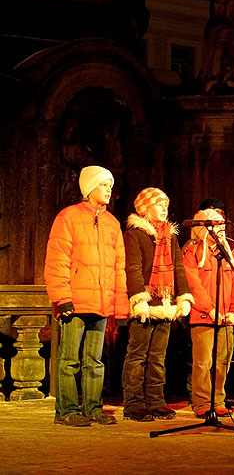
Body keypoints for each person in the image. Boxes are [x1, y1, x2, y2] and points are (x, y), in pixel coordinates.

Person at [44, 165, 129, 426]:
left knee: (95, 360)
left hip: (101, 302)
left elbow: (119, 267)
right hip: (75, 301)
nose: (109, 190)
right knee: (69, 360)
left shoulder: (112, 222)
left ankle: (93, 407)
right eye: (104, 185)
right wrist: (62, 297)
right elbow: (57, 260)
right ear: (89, 188)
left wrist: (120, 305)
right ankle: (67, 410)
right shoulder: (68, 218)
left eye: (110, 186)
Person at [121, 187, 193, 421]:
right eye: (159, 204)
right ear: (144, 207)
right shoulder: (135, 233)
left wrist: (183, 296)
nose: (165, 208)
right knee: (138, 355)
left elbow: (178, 267)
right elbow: (132, 267)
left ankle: (156, 401)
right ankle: (134, 404)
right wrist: (139, 299)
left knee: (158, 357)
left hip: (165, 300)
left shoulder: (170, 235)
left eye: (166, 205)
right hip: (145, 300)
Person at [182, 208, 234, 417]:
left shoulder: (229, 255)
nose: (218, 229)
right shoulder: (191, 253)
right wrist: (209, 309)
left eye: (220, 225)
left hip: (227, 317)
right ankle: (201, 402)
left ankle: (218, 399)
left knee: (223, 361)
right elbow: (194, 285)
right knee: (202, 362)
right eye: (213, 225)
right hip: (203, 315)